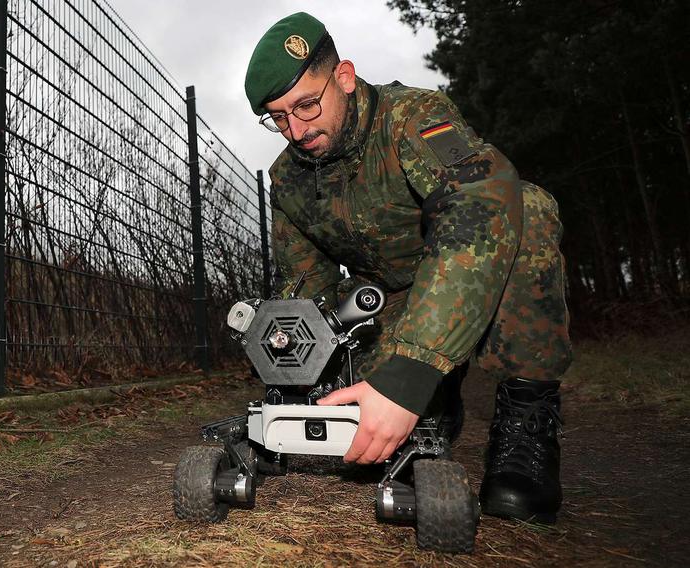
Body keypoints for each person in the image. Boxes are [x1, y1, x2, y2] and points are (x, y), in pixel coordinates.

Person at [244, 12, 572, 524]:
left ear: (344, 77)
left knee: (523, 207)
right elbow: (306, 286)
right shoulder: (287, 180)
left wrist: (411, 371)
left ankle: (525, 424)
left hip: (459, 273)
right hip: (384, 303)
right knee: (375, 435)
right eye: (279, 117)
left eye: (307, 105)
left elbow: (477, 203)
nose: (297, 129)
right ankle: (440, 399)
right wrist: (299, 373)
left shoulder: (413, 117)